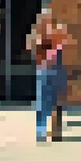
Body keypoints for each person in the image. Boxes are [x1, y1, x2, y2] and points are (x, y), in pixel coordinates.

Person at [26, 8, 71, 142]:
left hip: (57, 70)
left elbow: (65, 42)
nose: (46, 21)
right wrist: (40, 39)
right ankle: (41, 129)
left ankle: (56, 131)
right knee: (42, 101)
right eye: (44, 19)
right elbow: (30, 47)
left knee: (57, 101)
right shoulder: (36, 34)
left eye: (48, 18)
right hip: (44, 70)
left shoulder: (57, 31)